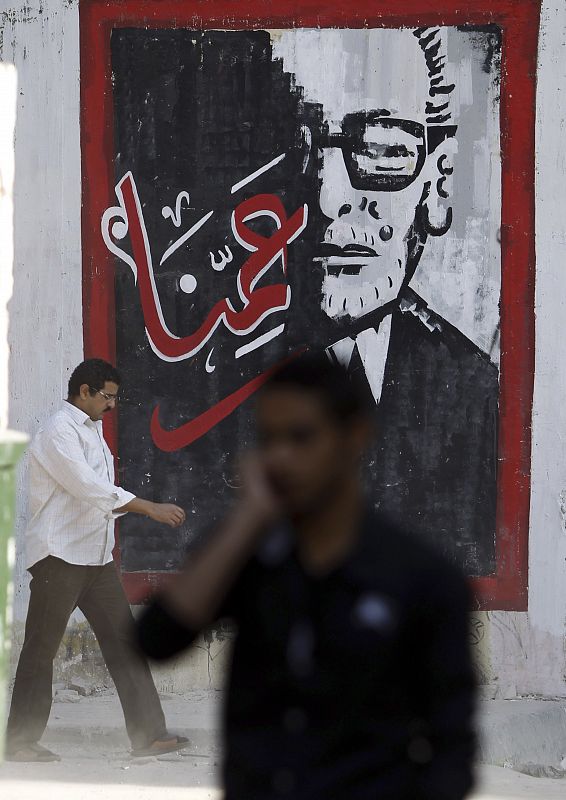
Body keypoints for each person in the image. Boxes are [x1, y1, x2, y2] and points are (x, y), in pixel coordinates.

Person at [137, 354, 477, 800]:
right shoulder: (249, 555)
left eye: (301, 438)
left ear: (353, 437)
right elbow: (158, 639)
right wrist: (248, 518)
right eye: (268, 440)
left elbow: (451, 750)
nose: (281, 457)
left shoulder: (422, 577)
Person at [277, 26, 499, 575]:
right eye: (298, 151)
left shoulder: (473, 393)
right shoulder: (213, 387)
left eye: (380, 152)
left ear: (438, 181)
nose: (330, 198)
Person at [5, 358, 188, 763]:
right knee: (41, 648)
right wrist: (146, 507)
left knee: (125, 645)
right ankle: (19, 742)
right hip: (59, 557)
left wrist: (130, 505)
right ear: (83, 392)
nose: (111, 405)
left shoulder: (92, 432)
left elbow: (102, 490)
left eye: (114, 397)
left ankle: (149, 735)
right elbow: (89, 487)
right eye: (107, 396)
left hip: (95, 558)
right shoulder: (58, 432)